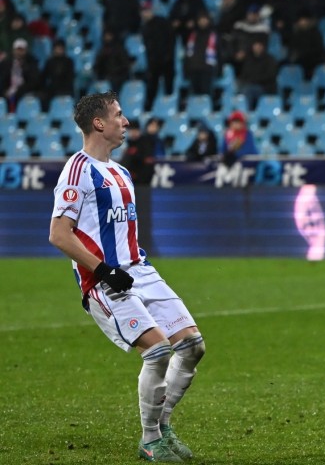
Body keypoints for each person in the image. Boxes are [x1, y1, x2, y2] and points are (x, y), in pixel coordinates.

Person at [48, 91, 205, 462]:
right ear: (98, 123)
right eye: (118, 114)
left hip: (139, 270)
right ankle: (150, 441)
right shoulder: (77, 170)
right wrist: (103, 270)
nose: (126, 121)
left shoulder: (121, 172)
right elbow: (59, 234)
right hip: (103, 280)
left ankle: (162, 427)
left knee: (192, 346)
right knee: (158, 350)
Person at [0, 38, 42, 112]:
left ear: (26, 51)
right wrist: (5, 91)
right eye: (17, 50)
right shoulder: (6, 63)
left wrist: (18, 90)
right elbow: (2, 79)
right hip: (8, 89)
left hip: (24, 90)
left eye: (22, 50)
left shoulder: (32, 63)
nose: (19, 52)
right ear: (13, 50)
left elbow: (33, 81)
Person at [41, 38, 76, 107]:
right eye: (57, 48)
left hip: (66, 89)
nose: (59, 50)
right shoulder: (50, 62)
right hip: (52, 89)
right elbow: (44, 76)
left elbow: (70, 77)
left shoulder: (69, 61)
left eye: (61, 48)